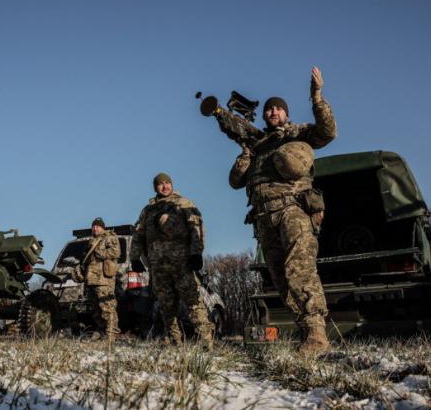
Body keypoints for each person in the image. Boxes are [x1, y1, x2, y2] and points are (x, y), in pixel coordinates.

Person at [228, 66, 337, 354]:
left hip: (293, 210)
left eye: (278, 109)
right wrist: (244, 152)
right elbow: (235, 181)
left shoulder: (296, 133)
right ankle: (307, 334)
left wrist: (317, 97)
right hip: (264, 217)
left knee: (298, 269)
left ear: (285, 113)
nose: (273, 112)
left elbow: (328, 132)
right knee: (280, 277)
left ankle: (317, 334)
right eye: (269, 110)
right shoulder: (258, 145)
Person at [129, 173, 213, 349]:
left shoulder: (183, 203)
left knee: (194, 302)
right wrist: (135, 258)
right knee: (167, 307)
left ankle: (206, 342)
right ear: (155, 188)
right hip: (158, 266)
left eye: (167, 183)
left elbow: (196, 227)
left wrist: (196, 254)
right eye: (160, 184)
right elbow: (138, 235)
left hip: (182, 263)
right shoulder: (148, 210)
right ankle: (175, 342)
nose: (164, 186)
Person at [71, 217, 120, 342]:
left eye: (97, 226)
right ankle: (101, 330)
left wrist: (97, 251)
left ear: (103, 228)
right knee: (95, 309)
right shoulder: (92, 241)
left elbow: (115, 253)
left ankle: (111, 335)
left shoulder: (109, 237)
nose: (95, 228)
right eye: (93, 226)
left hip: (104, 280)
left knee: (107, 308)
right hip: (91, 280)